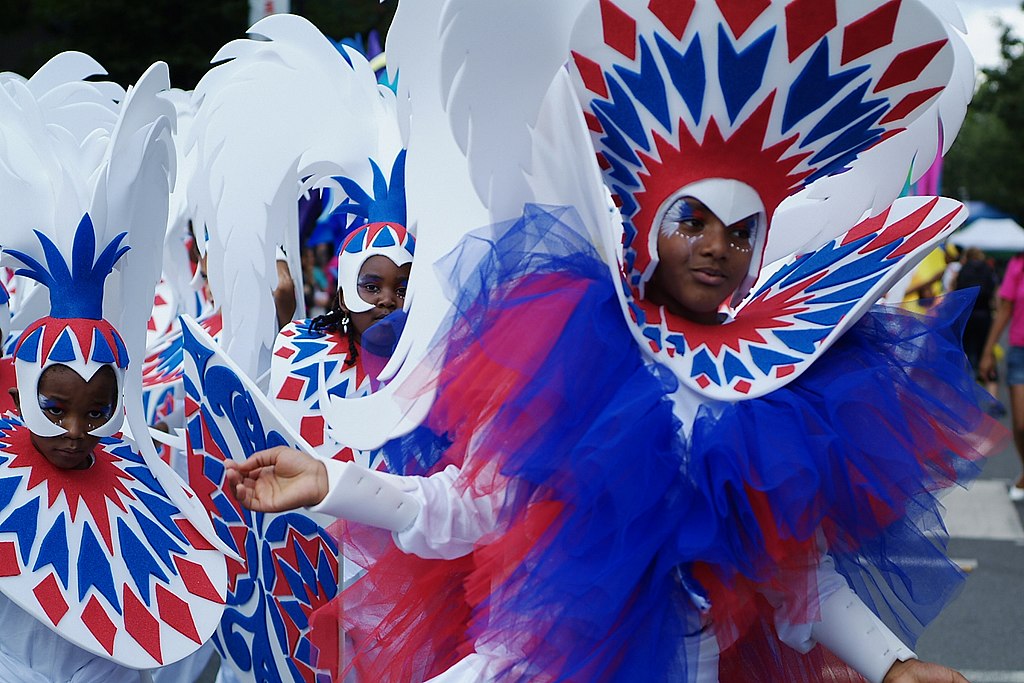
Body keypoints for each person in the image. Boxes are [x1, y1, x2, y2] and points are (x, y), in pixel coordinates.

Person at [219, 3, 998, 682]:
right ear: (652, 222)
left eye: (739, 231)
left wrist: (892, 662)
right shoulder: (576, 350)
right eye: (693, 220)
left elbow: (793, 572)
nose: (716, 246)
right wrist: (329, 481)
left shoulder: (769, 387)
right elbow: (471, 505)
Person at [980, 251, 1024, 501]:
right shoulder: (1018, 264)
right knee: (1021, 423)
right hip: (1020, 351)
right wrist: (988, 352)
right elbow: (1006, 308)